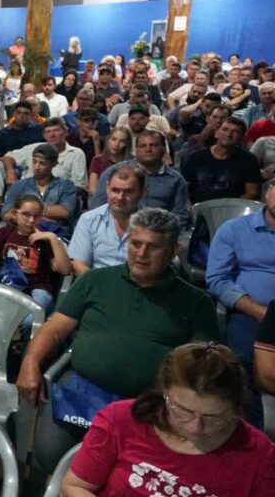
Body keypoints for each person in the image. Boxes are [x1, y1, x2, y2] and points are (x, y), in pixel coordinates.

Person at [16, 208, 218, 469]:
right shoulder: (95, 281)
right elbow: (54, 329)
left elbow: (202, 366)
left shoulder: (196, 302)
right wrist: (30, 362)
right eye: (135, 244)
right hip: (82, 391)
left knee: (130, 471)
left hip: (150, 403)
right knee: (50, 454)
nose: (141, 254)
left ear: (172, 251)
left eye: (153, 247)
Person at [62, 343, 275, 496]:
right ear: (165, 394)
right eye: (183, 411)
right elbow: (75, 486)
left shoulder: (259, 455)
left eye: (213, 417)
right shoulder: (121, 419)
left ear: (235, 408)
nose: (195, 427)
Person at [206, 180, 275, 422]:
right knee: (242, 360)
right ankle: (251, 426)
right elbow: (217, 279)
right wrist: (260, 312)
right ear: (267, 192)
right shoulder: (235, 230)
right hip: (251, 313)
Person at [0, 195, 72, 313]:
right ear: (15, 214)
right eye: (26, 214)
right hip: (9, 282)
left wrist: (52, 238)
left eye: (36, 216)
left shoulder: (45, 239)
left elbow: (65, 270)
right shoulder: (5, 232)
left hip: (37, 288)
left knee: (38, 305)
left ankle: (19, 321)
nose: (31, 220)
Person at [91, 130, 191, 229]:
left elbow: (180, 215)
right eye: (143, 146)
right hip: (116, 229)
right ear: (136, 150)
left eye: (154, 145)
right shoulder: (114, 172)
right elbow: (97, 207)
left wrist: (160, 232)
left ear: (164, 149)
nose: (148, 149)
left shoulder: (176, 179)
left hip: (159, 233)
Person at [69, 165, 144, 276]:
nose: (120, 197)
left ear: (142, 192)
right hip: (96, 282)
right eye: (115, 190)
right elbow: (78, 265)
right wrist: (101, 285)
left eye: (128, 192)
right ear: (107, 188)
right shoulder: (89, 220)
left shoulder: (152, 225)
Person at [2, 144, 80, 238]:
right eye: (34, 162)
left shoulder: (66, 185)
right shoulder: (19, 185)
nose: (37, 167)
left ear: (54, 164)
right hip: (24, 234)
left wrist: (25, 214)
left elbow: (64, 212)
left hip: (56, 235)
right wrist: (44, 217)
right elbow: (6, 213)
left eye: (42, 163)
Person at [182, 117, 262, 203]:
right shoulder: (195, 158)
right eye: (225, 129)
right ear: (216, 133)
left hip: (234, 208)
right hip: (197, 207)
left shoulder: (249, 160)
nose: (228, 134)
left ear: (242, 138)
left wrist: (227, 206)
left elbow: (252, 193)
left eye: (235, 132)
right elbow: (183, 189)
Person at [4, 117, 89, 191]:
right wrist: (10, 172)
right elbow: (8, 157)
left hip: (58, 195)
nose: (52, 135)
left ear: (66, 132)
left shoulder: (76, 154)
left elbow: (79, 186)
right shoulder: (33, 148)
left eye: (56, 130)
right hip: (26, 192)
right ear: (44, 136)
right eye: (48, 132)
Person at [88, 125, 133, 194]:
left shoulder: (132, 162)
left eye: (122, 141)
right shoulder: (97, 160)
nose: (117, 144)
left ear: (127, 144)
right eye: (114, 139)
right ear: (108, 139)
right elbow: (92, 188)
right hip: (102, 197)